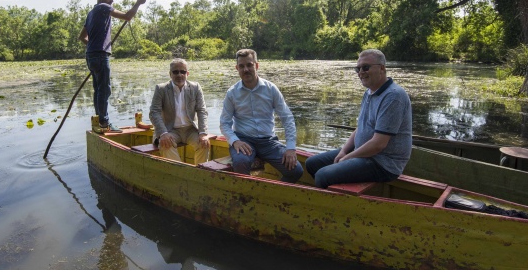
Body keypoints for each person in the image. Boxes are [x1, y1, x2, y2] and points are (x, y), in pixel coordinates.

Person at [305, 49, 412, 188]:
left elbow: (379, 144)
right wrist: (344, 151)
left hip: (382, 162)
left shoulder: (393, 96)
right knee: (312, 164)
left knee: (323, 175)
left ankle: (334, 207)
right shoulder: (369, 93)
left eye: (366, 67)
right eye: (358, 68)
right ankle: (340, 198)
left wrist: (348, 157)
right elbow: (361, 127)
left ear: (382, 68)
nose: (361, 72)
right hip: (364, 153)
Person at [219, 49, 303, 183]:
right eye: (241, 66)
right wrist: (235, 141)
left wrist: (291, 148)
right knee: (241, 163)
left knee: (296, 170)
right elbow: (224, 123)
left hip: (268, 142)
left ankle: (273, 195)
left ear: (256, 66)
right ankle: (245, 197)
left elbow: (287, 118)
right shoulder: (232, 93)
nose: (246, 69)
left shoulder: (271, 89)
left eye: (249, 65)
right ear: (237, 68)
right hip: (244, 140)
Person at [79, 0, 146, 133]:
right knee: (104, 90)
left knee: (98, 90)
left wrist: (93, 44)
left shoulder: (91, 13)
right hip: (100, 55)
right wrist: (138, 3)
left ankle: (99, 120)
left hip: (91, 55)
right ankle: (104, 123)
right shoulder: (103, 7)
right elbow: (128, 16)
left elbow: (82, 37)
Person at [149, 58, 210, 164]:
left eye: (183, 71)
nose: (179, 75)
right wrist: (163, 133)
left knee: (204, 144)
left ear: (187, 73)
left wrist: (203, 133)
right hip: (170, 130)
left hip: (191, 129)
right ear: (170, 74)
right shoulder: (161, 89)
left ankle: (200, 174)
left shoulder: (195, 87)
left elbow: (202, 111)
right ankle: (182, 173)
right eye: (175, 72)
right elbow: (154, 112)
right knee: (165, 145)